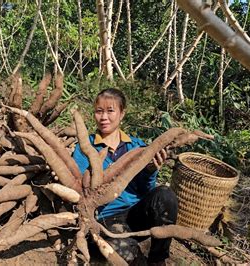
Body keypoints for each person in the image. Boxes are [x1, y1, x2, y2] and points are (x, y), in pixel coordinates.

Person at [72, 88, 178, 265]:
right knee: (127, 256)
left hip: (135, 213)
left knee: (165, 195)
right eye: (99, 111)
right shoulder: (85, 148)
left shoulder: (137, 147)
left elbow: (147, 191)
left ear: (122, 114)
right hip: (105, 217)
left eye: (110, 111)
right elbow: (81, 190)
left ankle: (158, 259)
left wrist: (149, 171)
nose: (104, 117)